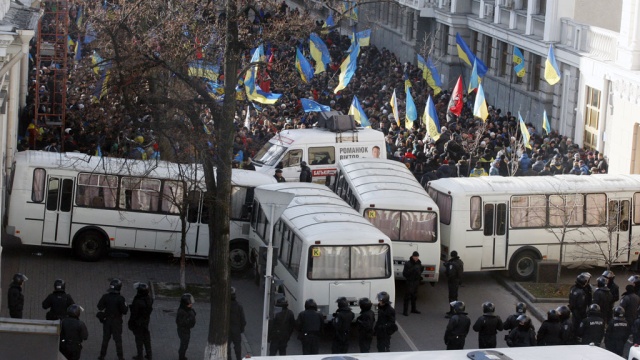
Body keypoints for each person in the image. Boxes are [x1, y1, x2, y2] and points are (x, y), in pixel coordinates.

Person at [97, 278, 128, 360]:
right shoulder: (121, 299)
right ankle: (120, 357)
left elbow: (99, 306)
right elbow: (125, 311)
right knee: (118, 340)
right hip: (117, 322)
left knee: (105, 339)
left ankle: (102, 356)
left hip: (107, 321)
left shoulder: (105, 296)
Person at [129, 282, 153, 360]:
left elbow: (134, 314)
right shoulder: (149, 299)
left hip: (138, 323)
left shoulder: (138, 302)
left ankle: (140, 356)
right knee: (146, 338)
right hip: (146, 321)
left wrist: (131, 323)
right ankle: (149, 354)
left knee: (139, 340)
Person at [176, 293, 196, 360]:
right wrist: (191, 317)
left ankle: (182, 355)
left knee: (185, 344)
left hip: (186, 330)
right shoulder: (181, 312)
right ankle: (181, 357)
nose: (191, 305)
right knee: (184, 344)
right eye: (189, 304)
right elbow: (183, 322)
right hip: (183, 331)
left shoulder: (187, 309)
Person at [402, 251, 423, 316]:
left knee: (414, 296)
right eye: (415, 256)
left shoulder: (419, 263)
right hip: (409, 281)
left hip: (416, 282)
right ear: (412, 256)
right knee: (407, 297)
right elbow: (404, 274)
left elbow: (421, 270)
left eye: (417, 257)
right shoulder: (408, 264)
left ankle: (413, 309)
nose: (416, 258)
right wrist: (412, 270)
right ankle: (405, 311)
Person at [228, 287, 246, 360]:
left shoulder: (225, 306)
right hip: (236, 330)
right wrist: (241, 329)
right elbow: (243, 320)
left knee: (227, 346)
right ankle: (238, 358)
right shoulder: (239, 306)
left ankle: (228, 358)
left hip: (227, 330)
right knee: (237, 346)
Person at [444, 251, 464, 318]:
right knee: (455, 296)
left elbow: (451, 273)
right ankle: (454, 310)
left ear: (451, 255)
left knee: (452, 297)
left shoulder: (452, 264)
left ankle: (452, 312)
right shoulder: (460, 261)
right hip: (457, 281)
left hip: (452, 281)